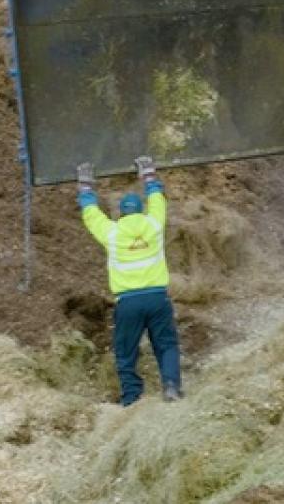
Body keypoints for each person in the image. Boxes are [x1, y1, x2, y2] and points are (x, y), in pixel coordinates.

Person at [75, 155, 182, 405]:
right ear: (140, 211)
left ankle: (132, 399)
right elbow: (158, 200)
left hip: (128, 303)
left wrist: (86, 186)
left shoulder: (112, 233)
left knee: (126, 352)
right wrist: (148, 174)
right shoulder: (154, 225)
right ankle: (171, 387)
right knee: (166, 345)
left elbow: (90, 214)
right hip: (158, 299)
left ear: (121, 213)